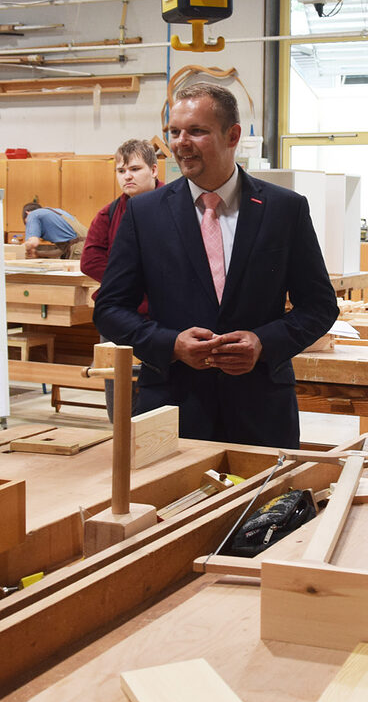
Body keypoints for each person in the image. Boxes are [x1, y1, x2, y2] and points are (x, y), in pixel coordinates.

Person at [94, 82, 338, 448]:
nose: (180, 142)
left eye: (196, 131)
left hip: (260, 407)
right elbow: (110, 308)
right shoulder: (145, 214)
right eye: (174, 132)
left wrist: (262, 342)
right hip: (173, 405)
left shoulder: (284, 210)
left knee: (265, 504)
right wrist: (171, 343)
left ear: (232, 135)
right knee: (172, 505)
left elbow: (319, 306)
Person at [80, 138, 162, 287]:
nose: (127, 176)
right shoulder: (107, 215)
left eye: (135, 169)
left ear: (154, 170)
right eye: (121, 171)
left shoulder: (177, 206)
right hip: (125, 303)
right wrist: (129, 282)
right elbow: (90, 262)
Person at [22, 201, 87, 259]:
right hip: (87, 247)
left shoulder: (32, 215)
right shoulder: (56, 212)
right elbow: (60, 252)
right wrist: (37, 253)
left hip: (79, 251)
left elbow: (33, 242)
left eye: (28, 225)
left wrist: (23, 248)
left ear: (27, 213)